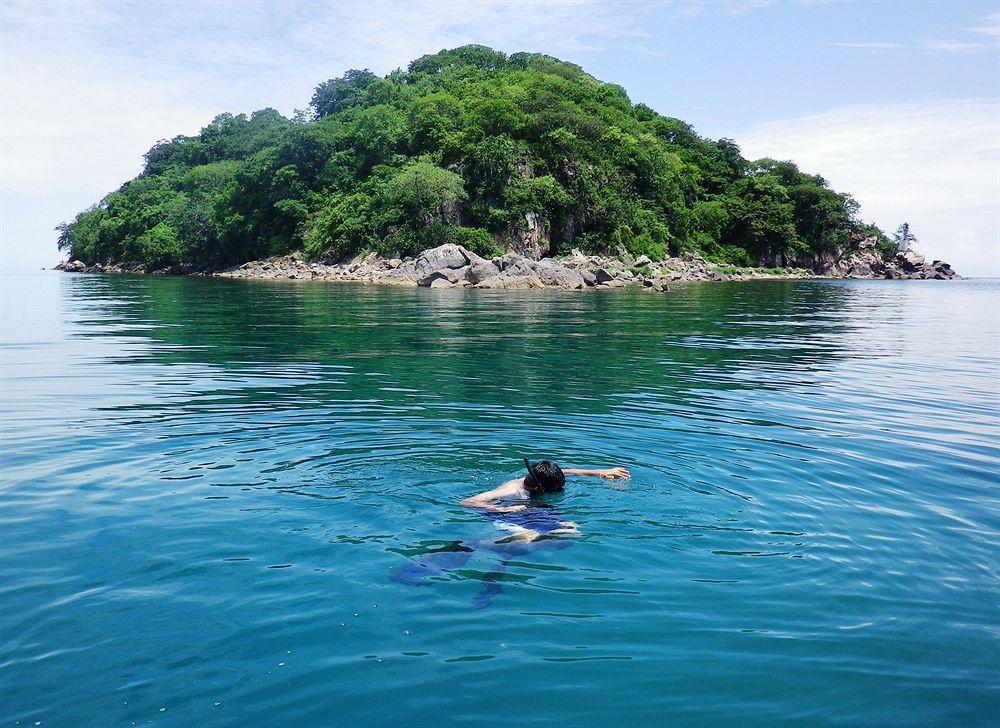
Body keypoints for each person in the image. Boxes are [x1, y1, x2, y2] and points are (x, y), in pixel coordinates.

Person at [460, 458, 630, 542]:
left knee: (571, 531)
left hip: (532, 510)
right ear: (538, 488)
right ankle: (482, 546)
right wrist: (502, 510)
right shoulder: (509, 491)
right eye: (555, 490)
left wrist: (600, 471)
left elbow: (567, 470)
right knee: (527, 538)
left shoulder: (539, 476)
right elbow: (467, 502)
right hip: (506, 512)